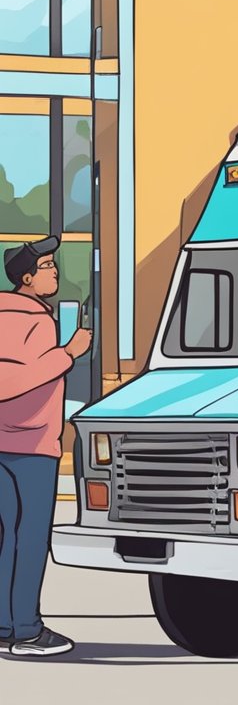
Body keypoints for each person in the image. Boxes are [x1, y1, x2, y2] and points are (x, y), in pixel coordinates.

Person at [0, 236, 90, 656]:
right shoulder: (30, 318)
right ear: (27, 278)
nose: (55, 272)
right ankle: (27, 631)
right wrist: (68, 353)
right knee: (31, 537)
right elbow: (16, 381)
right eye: (49, 267)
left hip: (8, 442)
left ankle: (5, 626)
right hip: (32, 442)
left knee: (7, 536)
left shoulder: (18, 314)